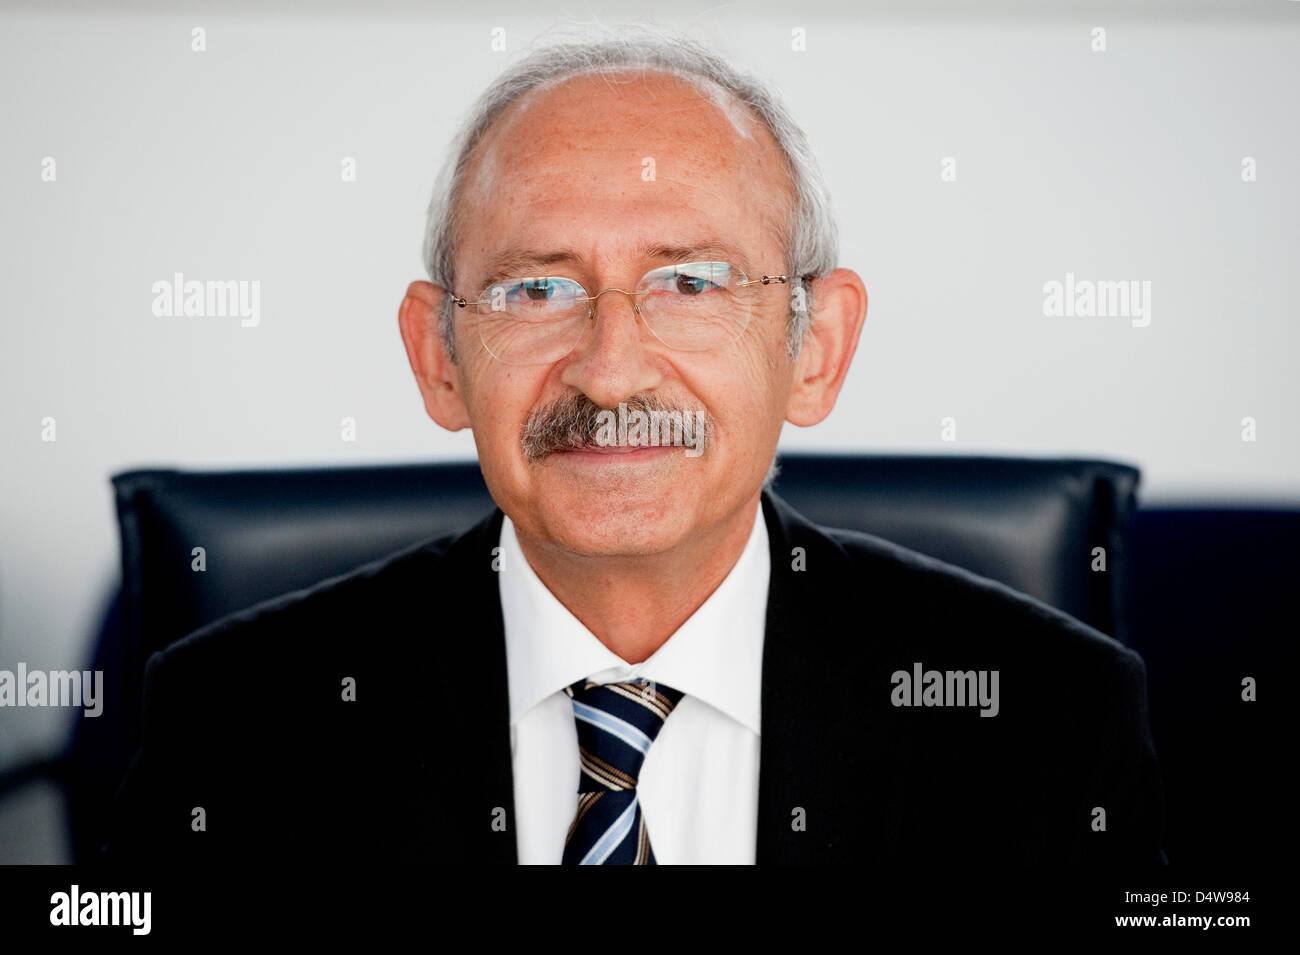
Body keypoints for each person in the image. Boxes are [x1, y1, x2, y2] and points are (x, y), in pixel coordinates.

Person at [107, 25, 1163, 866]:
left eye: (690, 283)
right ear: (438, 357)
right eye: (537, 290)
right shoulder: (234, 720)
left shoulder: (1048, 716)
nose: (611, 370)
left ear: (815, 350)